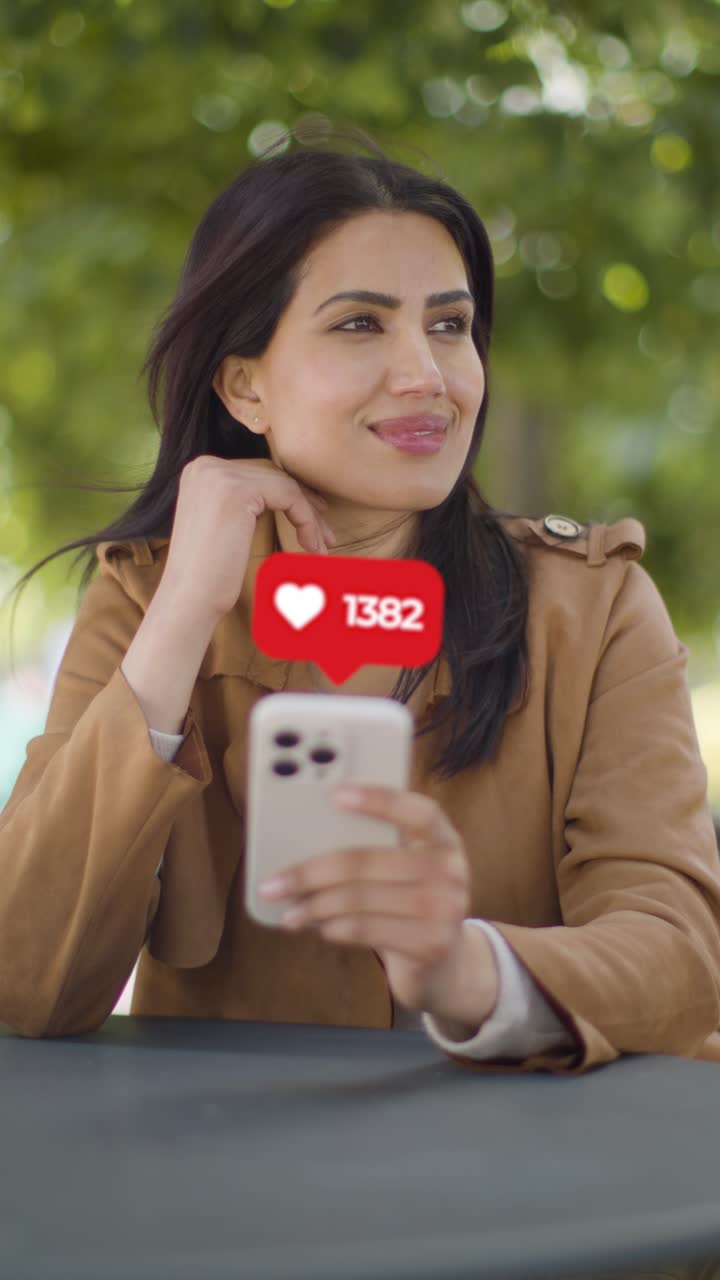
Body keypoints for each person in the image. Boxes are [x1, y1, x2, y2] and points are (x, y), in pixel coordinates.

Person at [1, 128, 719, 1088]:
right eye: (359, 324)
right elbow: (27, 983)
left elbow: (680, 959)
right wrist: (181, 620)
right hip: (235, 1187)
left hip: (526, 1197)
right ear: (244, 383)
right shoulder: (144, 599)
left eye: (450, 325)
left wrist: (462, 970)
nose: (427, 373)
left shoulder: (592, 608)